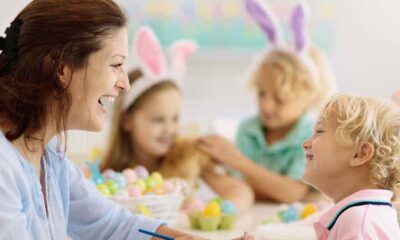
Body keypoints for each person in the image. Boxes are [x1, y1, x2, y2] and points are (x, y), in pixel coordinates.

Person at [0, 1, 253, 239]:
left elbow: (116, 225)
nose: (125, 83)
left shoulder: (50, 157)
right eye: (116, 65)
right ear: (61, 70)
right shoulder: (4, 167)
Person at [101, 27, 254, 212]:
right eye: (158, 120)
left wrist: (213, 214)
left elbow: (241, 192)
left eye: (175, 119)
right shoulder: (112, 175)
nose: (169, 129)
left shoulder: (190, 158)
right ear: (127, 120)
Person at [199, 0, 335, 203]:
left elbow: (293, 194)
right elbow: (243, 187)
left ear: (308, 96)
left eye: (280, 99)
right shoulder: (248, 129)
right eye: (262, 94)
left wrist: (236, 160)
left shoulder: (311, 136)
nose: (266, 105)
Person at [303, 94, 400, 239]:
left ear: (360, 154)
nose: (305, 144)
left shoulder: (360, 225)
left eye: (320, 131)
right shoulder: (361, 216)